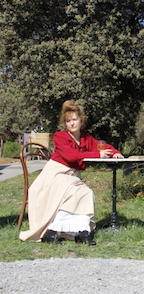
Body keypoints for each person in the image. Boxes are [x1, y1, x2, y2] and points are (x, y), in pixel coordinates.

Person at [19, 100, 124, 245]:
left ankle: (81, 231)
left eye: (74, 120)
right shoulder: (60, 136)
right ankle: (52, 231)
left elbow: (102, 146)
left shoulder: (86, 138)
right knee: (75, 191)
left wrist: (115, 153)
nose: (72, 123)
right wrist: (97, 155)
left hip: (71, 176)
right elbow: (71, 156)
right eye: (68, 121)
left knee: (86, 193)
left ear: (81, 121)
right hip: (55, 175)